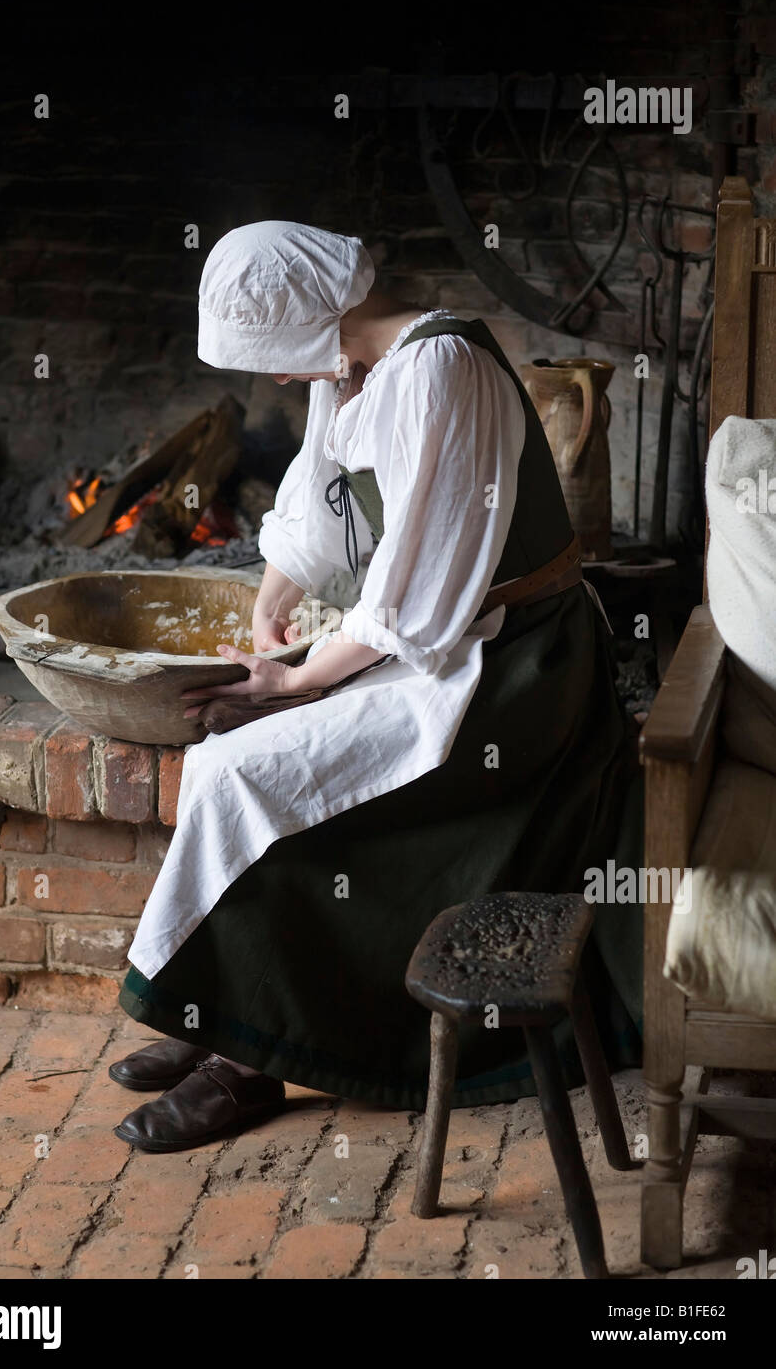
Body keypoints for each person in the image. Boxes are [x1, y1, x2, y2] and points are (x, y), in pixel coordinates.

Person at [111, 220, 642, 1152]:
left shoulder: (441, 373)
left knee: (254, 771)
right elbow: (319, 503)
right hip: (444, 644)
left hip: (509, 677)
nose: (276, 379)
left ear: (312, 317)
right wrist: (272, 603)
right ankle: (218, 1014)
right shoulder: (352, 370)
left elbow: (417, 596)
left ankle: (253, 1062)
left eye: (272, 355)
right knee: (227, 754)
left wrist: (298, 679)